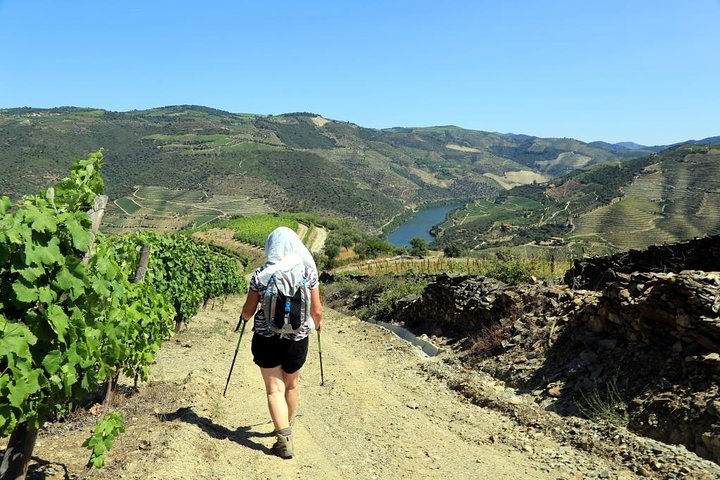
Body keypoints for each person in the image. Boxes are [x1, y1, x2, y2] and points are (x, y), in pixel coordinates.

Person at [240, 226, 323, 459]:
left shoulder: (261, 274)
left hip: (266, 339)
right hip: (297, 338)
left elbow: (248, 309)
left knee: (274, 389)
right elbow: (316, 309)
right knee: (291, 385)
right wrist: (318, 324)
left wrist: (244, 318)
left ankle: (283, 439)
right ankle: (286, 422)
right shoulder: (308, 272)